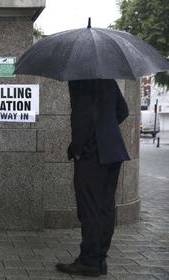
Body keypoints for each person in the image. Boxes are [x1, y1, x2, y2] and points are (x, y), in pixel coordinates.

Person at [56, 79, 130, 277]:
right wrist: (106, 128)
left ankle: (89, 261)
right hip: (114, 151)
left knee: (89, 209)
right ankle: (100, 260)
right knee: (105, 207)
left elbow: (81, 118)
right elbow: (123, 111)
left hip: (92, 154)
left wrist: (79, 149)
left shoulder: (79, 82)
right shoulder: (109, 81)